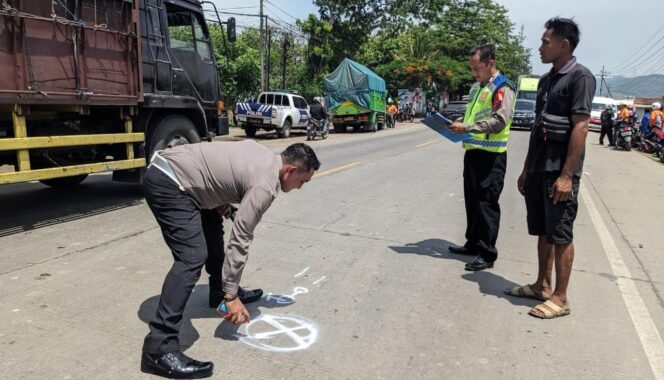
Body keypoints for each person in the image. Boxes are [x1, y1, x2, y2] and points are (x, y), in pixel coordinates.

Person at [141, 141, 320, 378]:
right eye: (302, 182)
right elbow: (241, 238)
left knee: (213, 232)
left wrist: (227, 207)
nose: (300, 188)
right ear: (291, 171)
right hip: (170, 182)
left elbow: (220, 177)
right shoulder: (265, 185)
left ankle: (217, 291)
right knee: (191, 257)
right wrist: (232, 296)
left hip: (178, 174)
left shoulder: (264, 155)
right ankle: (158, 348)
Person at [508, 17, 596, 319]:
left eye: (545, 42)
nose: (540, 47)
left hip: (560, 172)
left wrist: (567, 176)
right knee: (543, 230)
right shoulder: (545, 81)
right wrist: (526, 168)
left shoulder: (580, 78)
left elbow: (581, 127)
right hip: (539, 169)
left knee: (560, 233)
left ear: (564, 45)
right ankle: (542, 285)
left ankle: (561, 298)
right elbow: (537, 128)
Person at [448, 44, 516, 271]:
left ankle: (487, 253)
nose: (474, 73)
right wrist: (458, 123)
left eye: (478, 68)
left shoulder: (502, 87)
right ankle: (472, 243)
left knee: (487, 203)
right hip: (473, 151)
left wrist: (467, 126)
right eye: (472, 69)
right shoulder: (478, 88)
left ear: (491, 63)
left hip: (492, 156)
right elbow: (474, 114)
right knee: (472, 200)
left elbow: (499, 121)